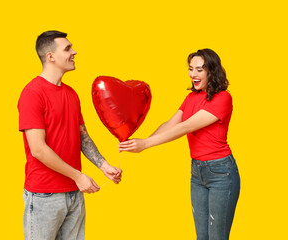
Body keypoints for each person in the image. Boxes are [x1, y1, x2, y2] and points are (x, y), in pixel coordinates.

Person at [119, 48, 240, 240]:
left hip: (221, 173)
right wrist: (139, 143)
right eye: (191, 69)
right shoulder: (191, 97)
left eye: (199, 70)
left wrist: (147, 143)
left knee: (217, 237)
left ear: (212, 71)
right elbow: (170, 124)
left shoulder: (223, 98)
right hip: (197, 173)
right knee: (202, 237)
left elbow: (185, 127)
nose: (193, 74)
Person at [18, 30, 122, 240]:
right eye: (67, 49)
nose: (74, 52)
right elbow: (38, 149)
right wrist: (78, 176)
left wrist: (104, 166)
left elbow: (82, 136)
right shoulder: (32, 93)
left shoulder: (71, 93)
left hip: (74, 194)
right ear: (51, 57)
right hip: (44, 196)